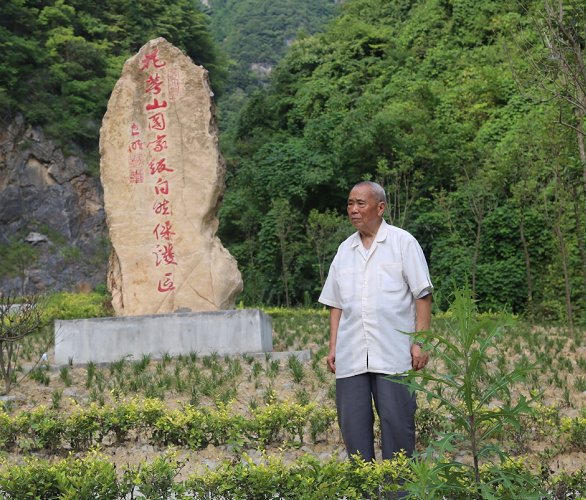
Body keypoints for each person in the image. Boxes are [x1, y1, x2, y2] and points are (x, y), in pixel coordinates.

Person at [318, 181, 432, 463]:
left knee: (398, 431)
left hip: (392, 354)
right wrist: (333, 346)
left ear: (380, 208)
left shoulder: (403, 243)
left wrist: (421, 342)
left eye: (361, 203)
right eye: (349, 203)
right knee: (354, 434)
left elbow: (423, 295)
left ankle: (399, 494)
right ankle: (364, 493)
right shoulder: (344, 250)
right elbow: (335, 303)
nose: (353, 210)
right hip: (351, 355)